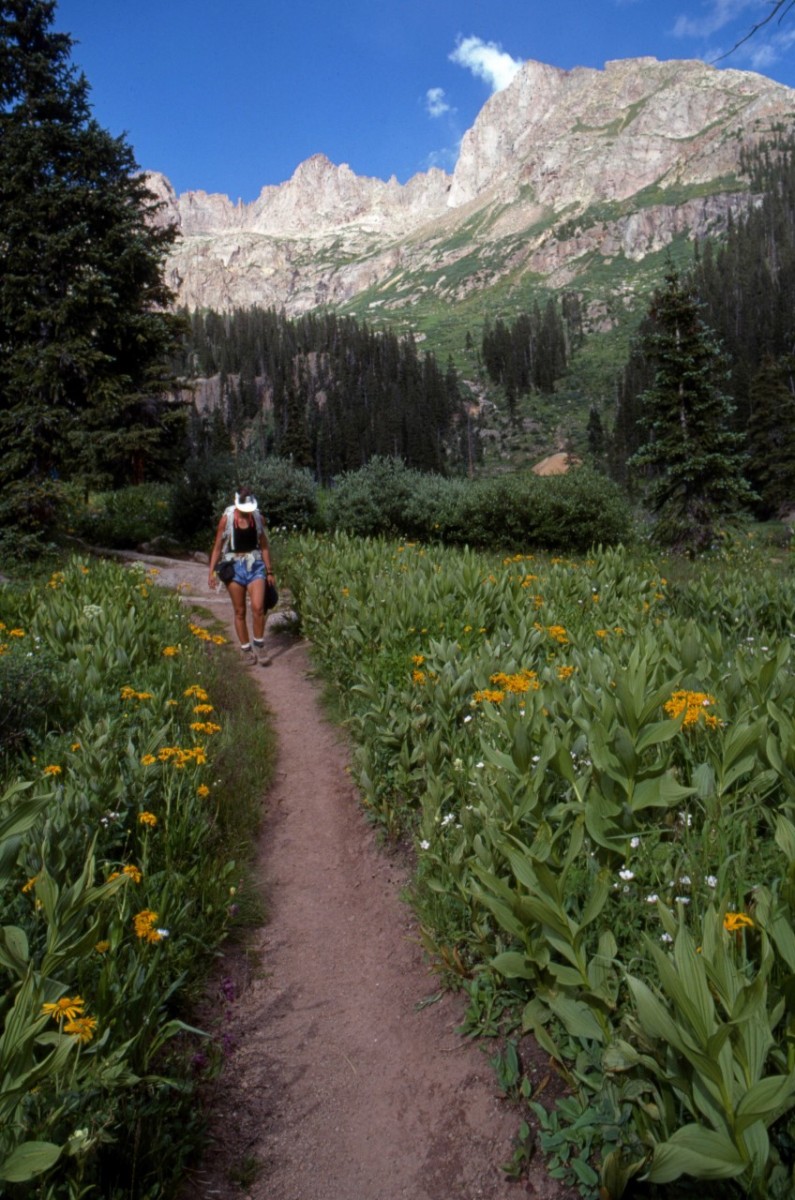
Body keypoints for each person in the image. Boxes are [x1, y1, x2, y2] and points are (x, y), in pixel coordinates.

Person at [208, 487, 276, 665]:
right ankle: (245, 650)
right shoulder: (227, 520)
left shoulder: (258, 519)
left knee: (258, 607)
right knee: (239, 611)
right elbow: (217, 547)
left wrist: (269, 571)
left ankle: (259, 646)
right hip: (234, 566)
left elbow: (264, 546)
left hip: (255, 565)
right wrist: (212, 571)